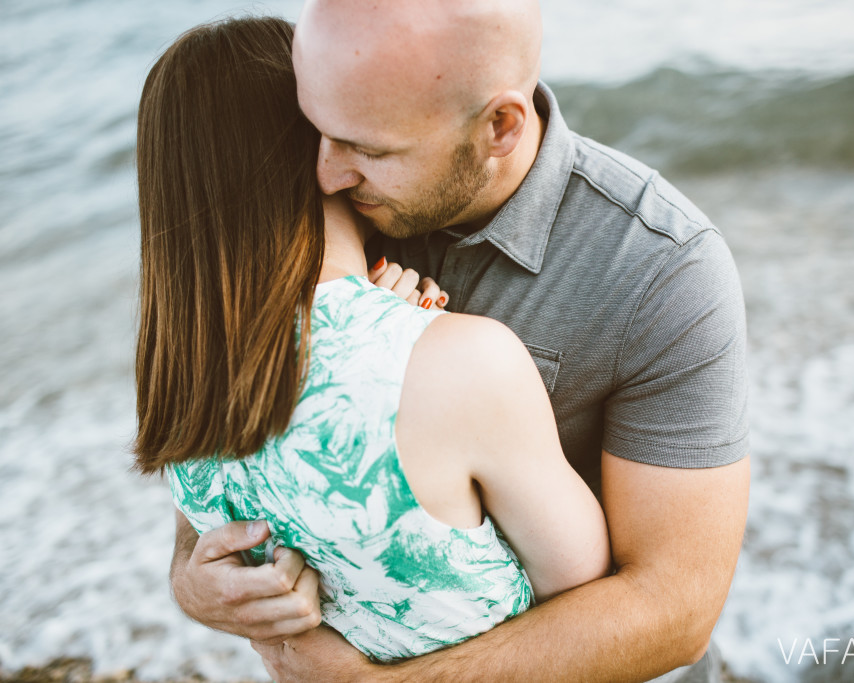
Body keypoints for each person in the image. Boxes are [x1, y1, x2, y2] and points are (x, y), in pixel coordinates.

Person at [171, 1, 751, 681]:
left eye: (369, 148)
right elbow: (228, 455)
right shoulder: (327, 211)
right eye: (315, 132)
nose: (324, 173)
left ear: (500, 126)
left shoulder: (663, 271)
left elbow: (672, 609)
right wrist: (193, 580)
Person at [134, 15, 611, 664]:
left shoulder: (181, 386)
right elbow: (584, 579)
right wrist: (409, 349)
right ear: (310, 142)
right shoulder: (462, 364)